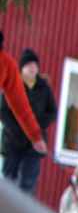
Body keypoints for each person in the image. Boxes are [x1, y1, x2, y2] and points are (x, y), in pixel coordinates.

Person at [0, 36, 51, 195]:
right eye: (29, 65)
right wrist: (16, 129)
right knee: (9, 180)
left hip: (29, 145)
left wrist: (36, 134)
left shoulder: (6, 64)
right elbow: (4, 110)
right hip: (12, 140)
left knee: (25, 186)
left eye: (34, 65)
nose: (32, 69)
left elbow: (22, 107)